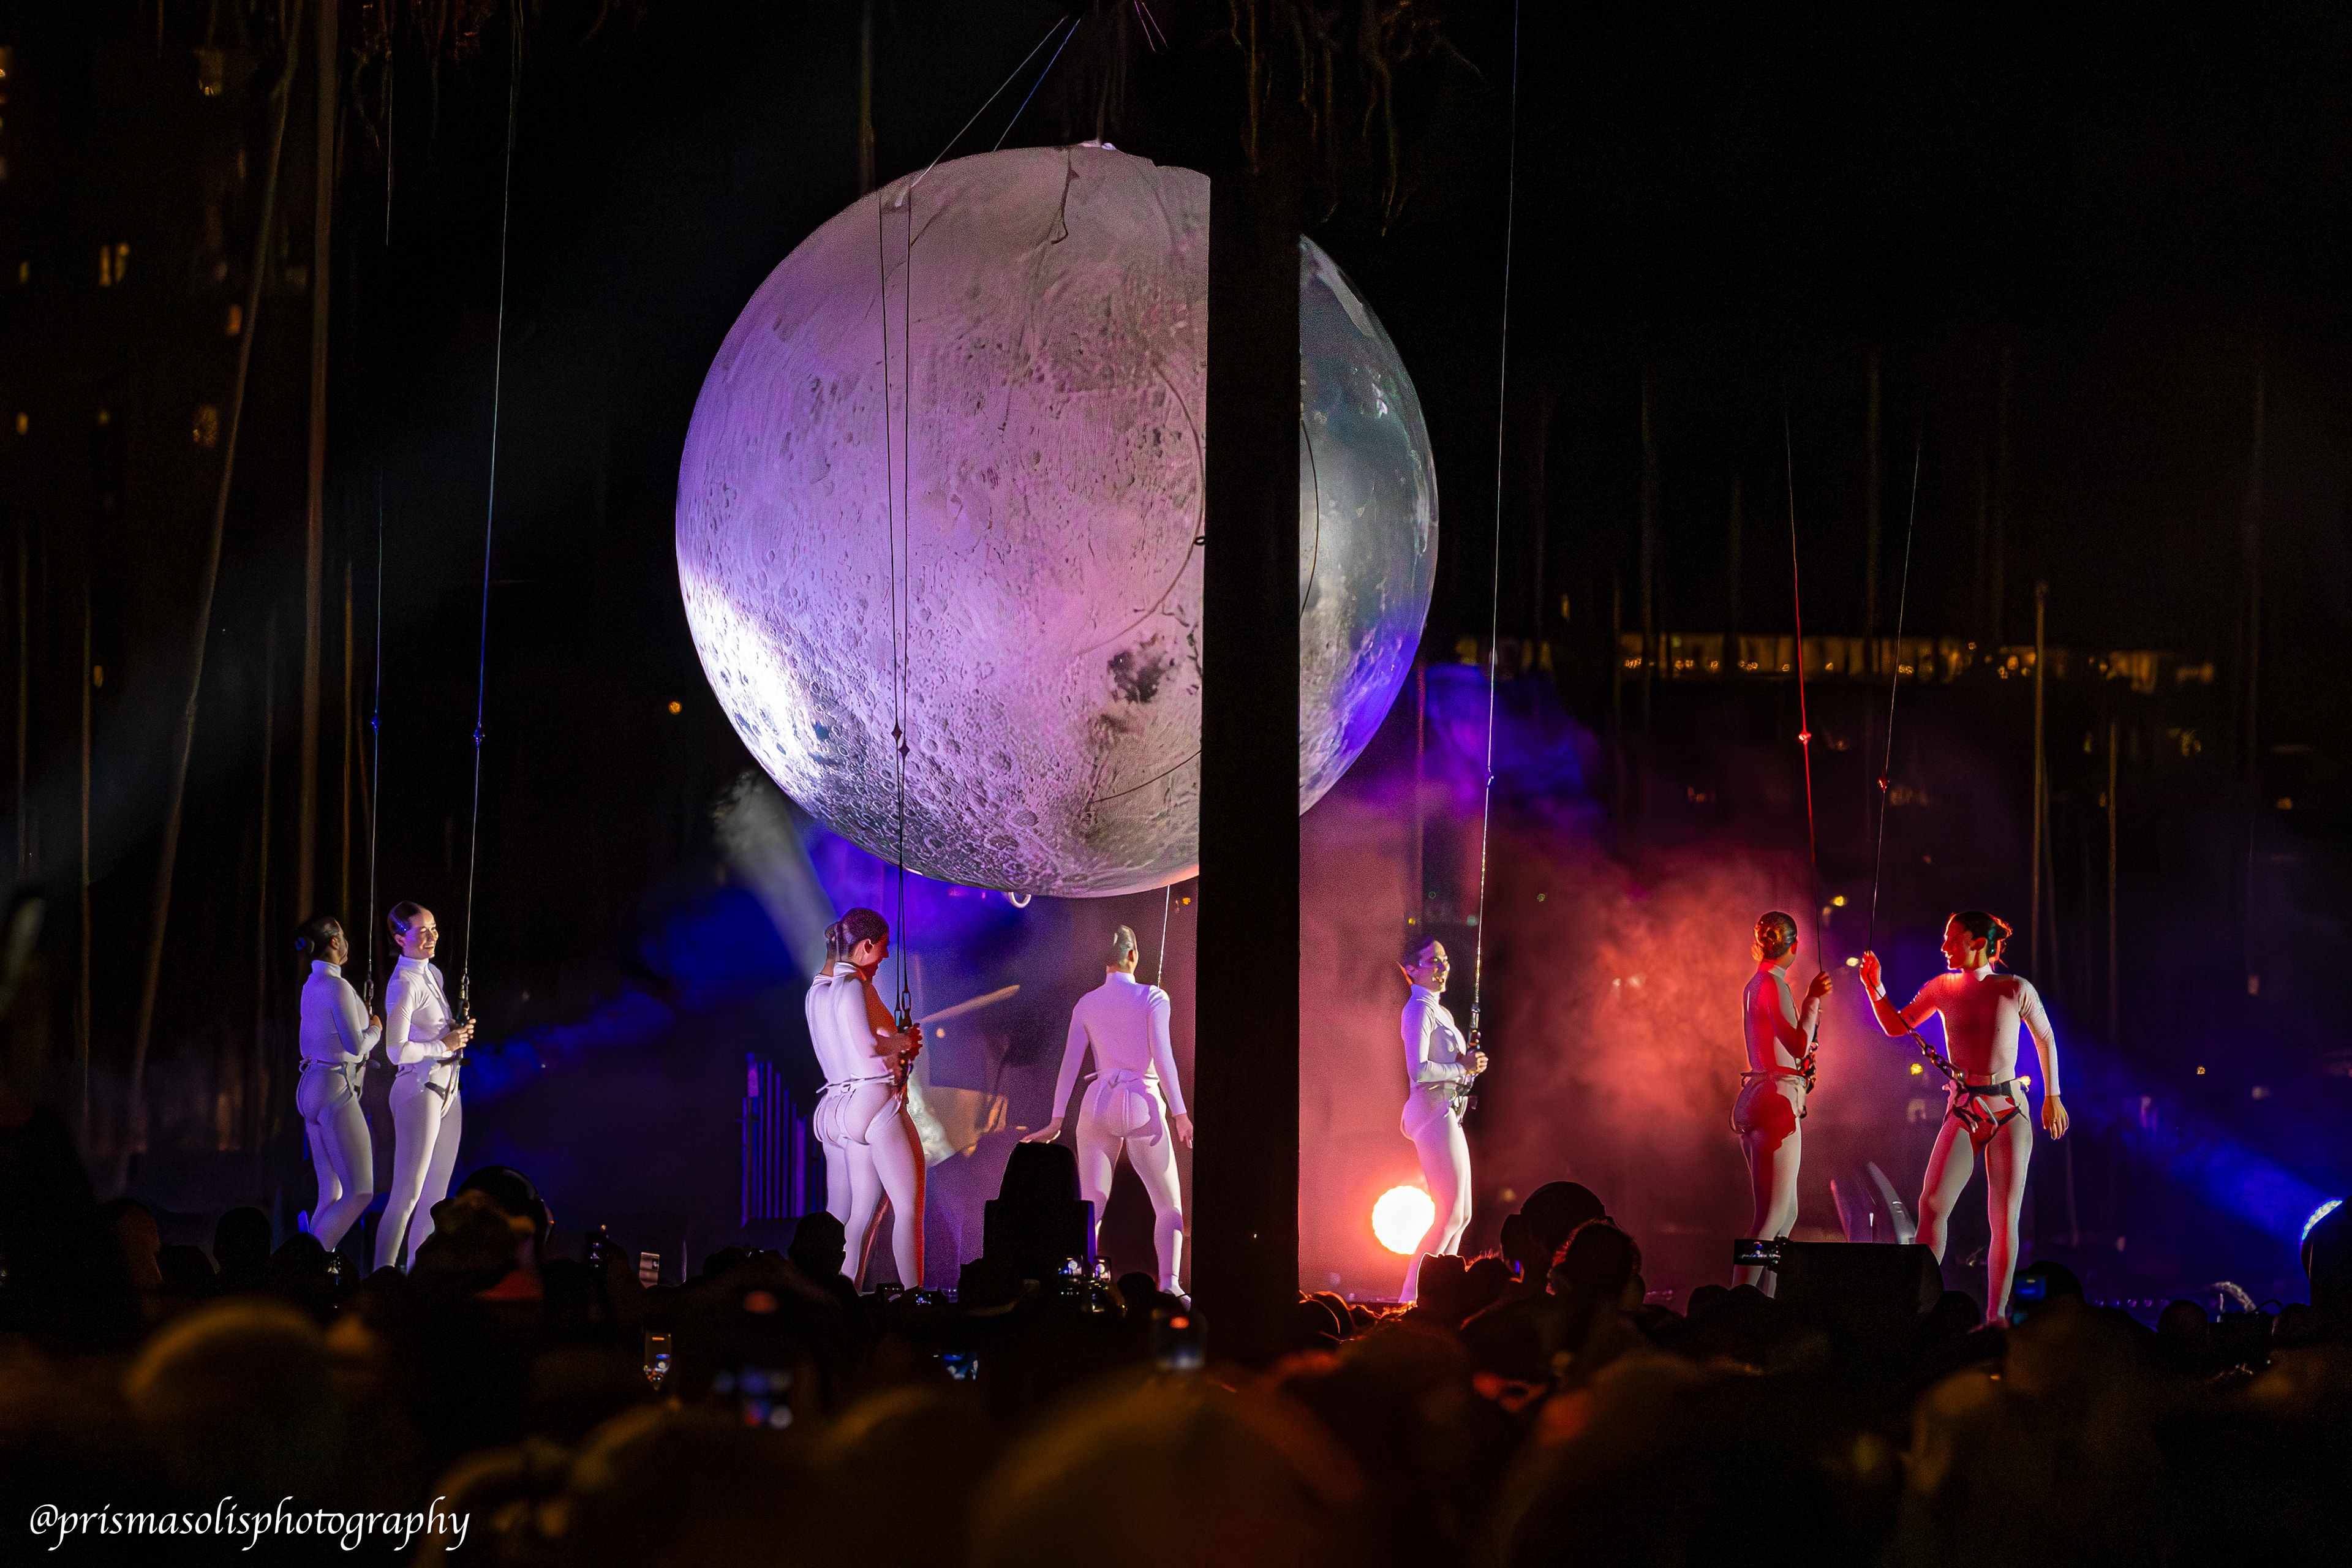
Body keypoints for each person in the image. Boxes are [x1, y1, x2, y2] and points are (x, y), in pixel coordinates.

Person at [1860, 910, 2067, 1325]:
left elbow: (2045, 1038)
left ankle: (1996, 1317)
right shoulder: (1943, 987)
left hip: (2009, 1109)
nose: (1944, 947)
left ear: (1978, 943)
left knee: (2003, 1215)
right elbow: (1897, 1027)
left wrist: (2054, 1096)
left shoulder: (2014, 988)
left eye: (1952, 939)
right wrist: (1874, 987)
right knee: (1932, 1203)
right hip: (1965, 1107)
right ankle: (1918, 1308)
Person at [1022, 925, 1194, 1295]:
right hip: (1142, 1101)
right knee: (1168, 1206)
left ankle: (1079, 1283)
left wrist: (1056, 1119)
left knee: (1091, 1206)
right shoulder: (1153, 997)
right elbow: (1163, 1056)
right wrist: (1179, 1112)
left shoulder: (1086, 1003)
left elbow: (1069, 1064)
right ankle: (1170, 1286)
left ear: (1104, 960)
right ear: (1133, 956)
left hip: (1098, 1103)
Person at [805, 907, 925, 1289]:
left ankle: (836, 1294)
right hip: (872, 1101)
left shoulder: (819, 992)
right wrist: (903, 1042)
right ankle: (914, 1297)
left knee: (854, 1215)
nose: (887, 956)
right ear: (867, 945)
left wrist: (898, 1044)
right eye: (884, 947)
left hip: (837, 1105)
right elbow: (868, 1047)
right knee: (908, 1208)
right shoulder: (855, 986)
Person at [1732, 911, 1831, 1291]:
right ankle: (1742, 1298)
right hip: (1776, 1100)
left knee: (1785, 1215)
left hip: (1765, 1095)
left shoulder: (1755, 985)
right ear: (1793, 947)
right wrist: (1813, 1001)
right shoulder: (1774, 986)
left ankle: (1766, 1297)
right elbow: (1798, 1044)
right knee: (1771, 1216)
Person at [374, 902, 475, 1272]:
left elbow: (434, 1032)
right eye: (422, 931)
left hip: (448, 1089)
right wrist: (443, 1045)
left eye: (434, 928)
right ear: (401, 939)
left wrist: (455, 1033)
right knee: (407, 1195)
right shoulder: (404, 983)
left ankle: (419, 1275)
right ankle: (382, 1276)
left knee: (435, 1197)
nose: (432, 937)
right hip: (419, 1089)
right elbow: (396, 1050)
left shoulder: (433, 974)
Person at [1395, 936, 1485, 1303]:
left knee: (1461, 1216)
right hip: (1432, 1110)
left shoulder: (1441, 1011)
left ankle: (1440, 1296)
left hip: (1447, 1109)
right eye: (1433, 961)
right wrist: (1462, 1068)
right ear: (1411, 969)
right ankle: (1409, 1299)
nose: (1442, 967)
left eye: (1444, 960)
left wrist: (1468, 1067)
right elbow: (1418, 1071)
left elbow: (1452, 1068)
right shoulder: (1418, 1009)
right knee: (1447, 1214)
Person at [292, 914, 380, 1251]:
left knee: (332, 1193)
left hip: (311, 1086)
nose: (345, 942)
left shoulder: (311, 984)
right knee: (361, 1191)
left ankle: (306, 1259)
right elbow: (356, 1046)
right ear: (333, 942)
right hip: (333, 1088)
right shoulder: (337, 986)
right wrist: (376, 1029)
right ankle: (309, 1259)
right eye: (341, 936)